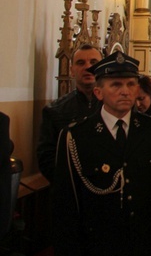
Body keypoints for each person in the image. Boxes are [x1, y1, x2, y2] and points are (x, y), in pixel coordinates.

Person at [52, 52, 151, 256]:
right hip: (100, 252)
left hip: (147, 249)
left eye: (131, 84)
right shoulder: (77, 136)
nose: (125, 91)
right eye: (116, 85)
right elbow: (65, 200)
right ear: (98, 92)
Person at [37, 44, 103, 182]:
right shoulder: (55, 111)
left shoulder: (115, 106)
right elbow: (46, 158)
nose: (87, 67)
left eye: (93, 62)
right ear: (72, 70)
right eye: (80, 63)